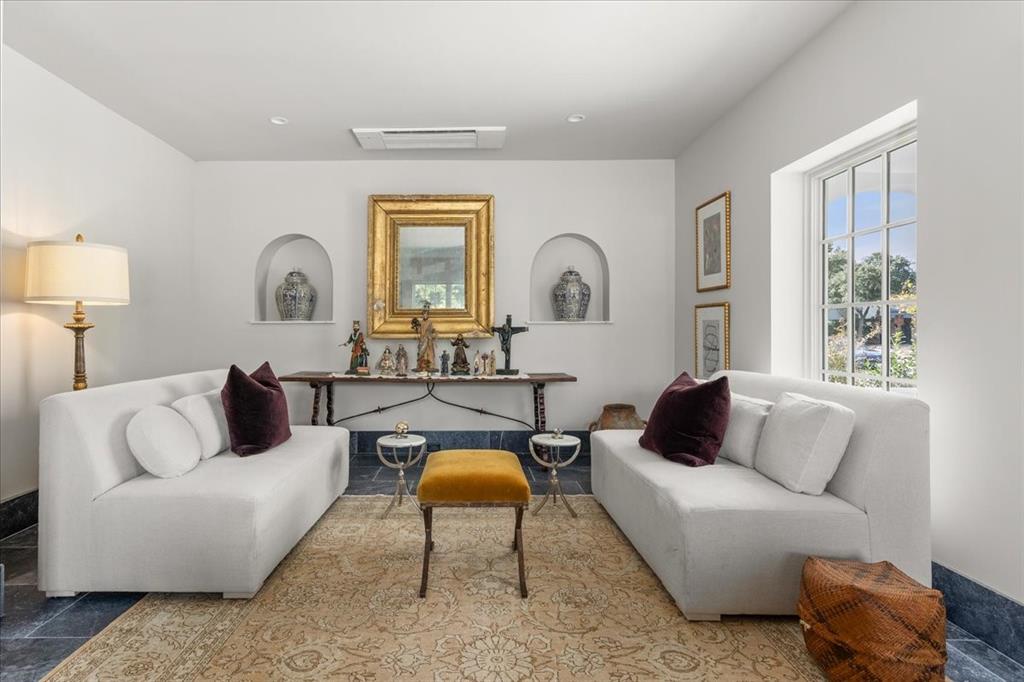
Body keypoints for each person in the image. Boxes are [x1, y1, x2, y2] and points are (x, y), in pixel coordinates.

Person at [411, 302, 438, 373]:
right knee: (421, 352)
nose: (424, 315)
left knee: (429, 353)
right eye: (423, 314)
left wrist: (431, 335)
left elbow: (432, 330)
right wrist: (416, 327)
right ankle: (421, 365)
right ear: (422, 315)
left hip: (428, 340)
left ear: (428, 315)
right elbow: (419, 330)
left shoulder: (430, 322)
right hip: (422, 340)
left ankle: (430, 365)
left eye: (426, 314)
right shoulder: (421, 322)